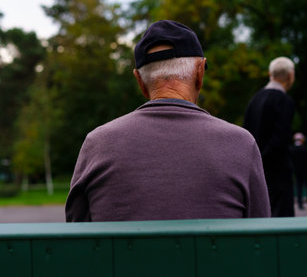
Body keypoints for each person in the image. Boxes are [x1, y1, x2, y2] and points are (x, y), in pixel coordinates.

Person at [65, 20, 270, 222]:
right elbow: (261, 238)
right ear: (200, 73)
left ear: (139, 81)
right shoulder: (241, 144)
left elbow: (78, 234)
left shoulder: (98, 144)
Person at [243, 56, 296, 217]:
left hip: (256, 170)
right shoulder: (284, 100)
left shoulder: (254, 99)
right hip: (278, 171)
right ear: (290, 76)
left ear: (269, 74)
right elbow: (281, 138)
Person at [291, 132, 307, 210]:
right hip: (306, 171)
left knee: (299, 188)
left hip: (297, 171)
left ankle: (300, 204)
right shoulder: (304, 149)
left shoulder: (292, 149)